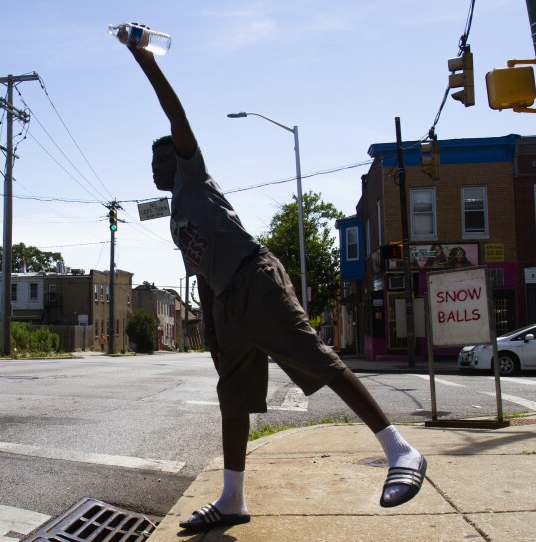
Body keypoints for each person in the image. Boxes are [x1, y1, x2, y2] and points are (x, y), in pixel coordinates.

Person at [114, 27, 427, 532]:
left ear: (179, 156)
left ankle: (401, 450)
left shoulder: (194, 176)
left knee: (315, 357)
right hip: (226, 297)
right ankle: (232, 498)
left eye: (161, 157)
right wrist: (214, 326)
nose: (155, 166)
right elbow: (203, 272)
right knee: (232, 394)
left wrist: (144, 59)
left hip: (254, 278)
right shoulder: (176, 213)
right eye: (152, 160)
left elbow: (176, 115)